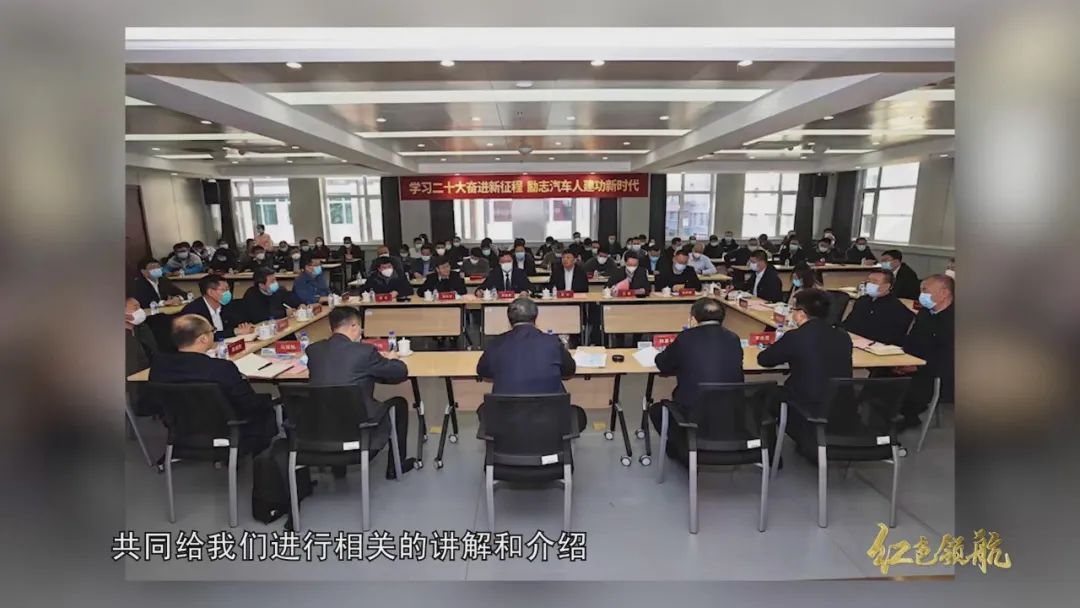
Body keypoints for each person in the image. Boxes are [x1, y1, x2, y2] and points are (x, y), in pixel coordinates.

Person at [305, 306, 417, 479]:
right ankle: (395, 467)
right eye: (360, 328)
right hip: (359, 429)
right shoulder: (364, 352)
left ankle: (338, 469)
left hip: (322, 430)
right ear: (354, 326)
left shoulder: (314, 351)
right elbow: (399, 372)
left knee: (334, 399)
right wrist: (393, 359)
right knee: (400, 404)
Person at [149, 315, 277, 452]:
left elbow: (152, 403)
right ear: (203, 339)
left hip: (181, 433)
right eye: (212, 331)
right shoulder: (221, 368)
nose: (213, 334)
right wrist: (268, 400)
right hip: (228, 432)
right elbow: (247, 403)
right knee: (265, 406)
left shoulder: (159, 367)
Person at [648, 298, 744, 464]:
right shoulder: (733, 338)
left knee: (656, 410)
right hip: (730, 413)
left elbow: (663, 364)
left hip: (693, 415)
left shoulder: (685, 338)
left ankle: (684, 452)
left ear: (693, 319)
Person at [757, 289, 853, 454]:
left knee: (762, 395)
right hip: (840, 406)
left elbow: (765, 360)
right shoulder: (843, 336)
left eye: (793, 310)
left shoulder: (796, 336)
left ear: (801, 314)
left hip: (807, 405)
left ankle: (771, 455)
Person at [476, 297, 586, 432]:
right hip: (551, 423)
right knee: (578, 415)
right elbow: (569, 370)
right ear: (535, 317)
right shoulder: (552, 342)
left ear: (509, 320)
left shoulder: (496, 343)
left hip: (507, 423)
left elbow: (482, 370)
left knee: (483, 410)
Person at [896, 274, 955, 429]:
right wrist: (902, 359)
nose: (921, 295)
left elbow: (949, 358)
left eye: (925, 291)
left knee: (898, 391)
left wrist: (918, 366)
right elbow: (911, 340)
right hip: (913, 363)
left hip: (936, 372)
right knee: (880, 377)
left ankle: (900, 420)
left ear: (944, 293)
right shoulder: (925, 313)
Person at [841, 268, 914, 347]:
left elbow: (891, 337)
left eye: (874, 282)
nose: (869, 284)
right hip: (853, 341)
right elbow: (848, 324)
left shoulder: (897, 309)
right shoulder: (862, 300)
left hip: (876, 346)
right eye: (868, 281)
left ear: (887, 286)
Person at [180, 274, 254, 340]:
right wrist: (235, 331)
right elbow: (203, 337)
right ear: (210, 292)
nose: (228, 293)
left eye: (228, 289)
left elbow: (239, 322)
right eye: (224, 290)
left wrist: (243, 326)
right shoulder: (193, 311)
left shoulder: (228, 305)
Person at [236, 268, 301, 323]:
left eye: (275, 280)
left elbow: (293, 301)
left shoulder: (280, 290)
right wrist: (284, 313)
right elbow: (260, 317)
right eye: (272, 281)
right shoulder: (251, 295)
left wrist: (300, 304)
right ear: (261, 285)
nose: (275, 283)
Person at [125, 297, 159, 375]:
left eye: (140, 307)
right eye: (135, 308)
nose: (140, 311)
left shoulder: (143, 328)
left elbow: (154, 351)